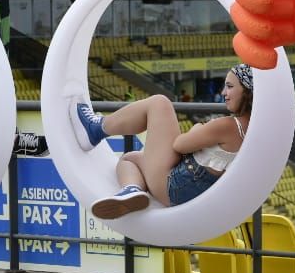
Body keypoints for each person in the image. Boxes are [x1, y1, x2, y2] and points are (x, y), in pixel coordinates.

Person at [73, 64, 253, 219]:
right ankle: (132, 189)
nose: (223, 93)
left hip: (174, 188)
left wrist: (198, 128)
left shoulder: (228, 125)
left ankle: (96, 128)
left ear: (246, 91)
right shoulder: (251, 131)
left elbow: (180, 145)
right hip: (195, 195)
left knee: (159, 103)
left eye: (230, 86)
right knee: (130, 158)